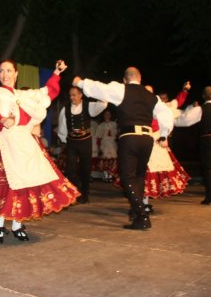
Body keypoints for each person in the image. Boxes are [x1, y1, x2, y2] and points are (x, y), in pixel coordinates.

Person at [0, 59, 79, 243]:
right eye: (1, 71)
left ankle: (17, 224)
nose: (4, 74)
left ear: (16, 74)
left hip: (25, 144)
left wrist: (57, 73)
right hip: (5, 144)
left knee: (26, 185)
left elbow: (47, 92)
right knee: (6, 187)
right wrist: (2, 121)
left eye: (9, 70)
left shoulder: (24, 95)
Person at [72, 67, 173, 230]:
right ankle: (137, 213)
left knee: (127, 177)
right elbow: (166, 115)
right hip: (147, 139)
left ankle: (141, 214)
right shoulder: (151, 97)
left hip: (130, 137)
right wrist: (164, 135)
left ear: (125, 79)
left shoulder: (122, 89)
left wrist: (80, 82)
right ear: (140, 78)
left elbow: (100, 89)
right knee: (139, 177)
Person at [142, 83, 191, 213]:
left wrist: (185, 90)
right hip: (143, 139)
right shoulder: (137, 105)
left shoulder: (159, 105)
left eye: (150, 92)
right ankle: (143, 203)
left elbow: (176, 103)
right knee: (145, 171)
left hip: (157, 140)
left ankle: (145, 202)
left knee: (154, 171)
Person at [57, 87, 107, 203]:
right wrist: (64, 138)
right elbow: (62, 125)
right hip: (71, 142)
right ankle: (78, 188)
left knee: (85, 169)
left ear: (80, 95)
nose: (71, 98)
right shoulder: (66, 109)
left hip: (85, 141)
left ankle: (85, 194)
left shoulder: (89, 106)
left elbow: (103, 104)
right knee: (70, 169)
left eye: (74, 95)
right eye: (70, 95)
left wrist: (97, 91)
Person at [95, 109, 118, 183]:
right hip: (104, 145)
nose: (107, 116)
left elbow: (118, 134)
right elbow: (98, 137)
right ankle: (105, 176)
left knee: (113, 160)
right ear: (104, 115)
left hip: (113, 145)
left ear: (111, 116)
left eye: (108, 114)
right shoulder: (101, 125)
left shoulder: (114, 124)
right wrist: (98, 147)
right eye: (106, 114)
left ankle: (111, 176)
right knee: (104, 161)